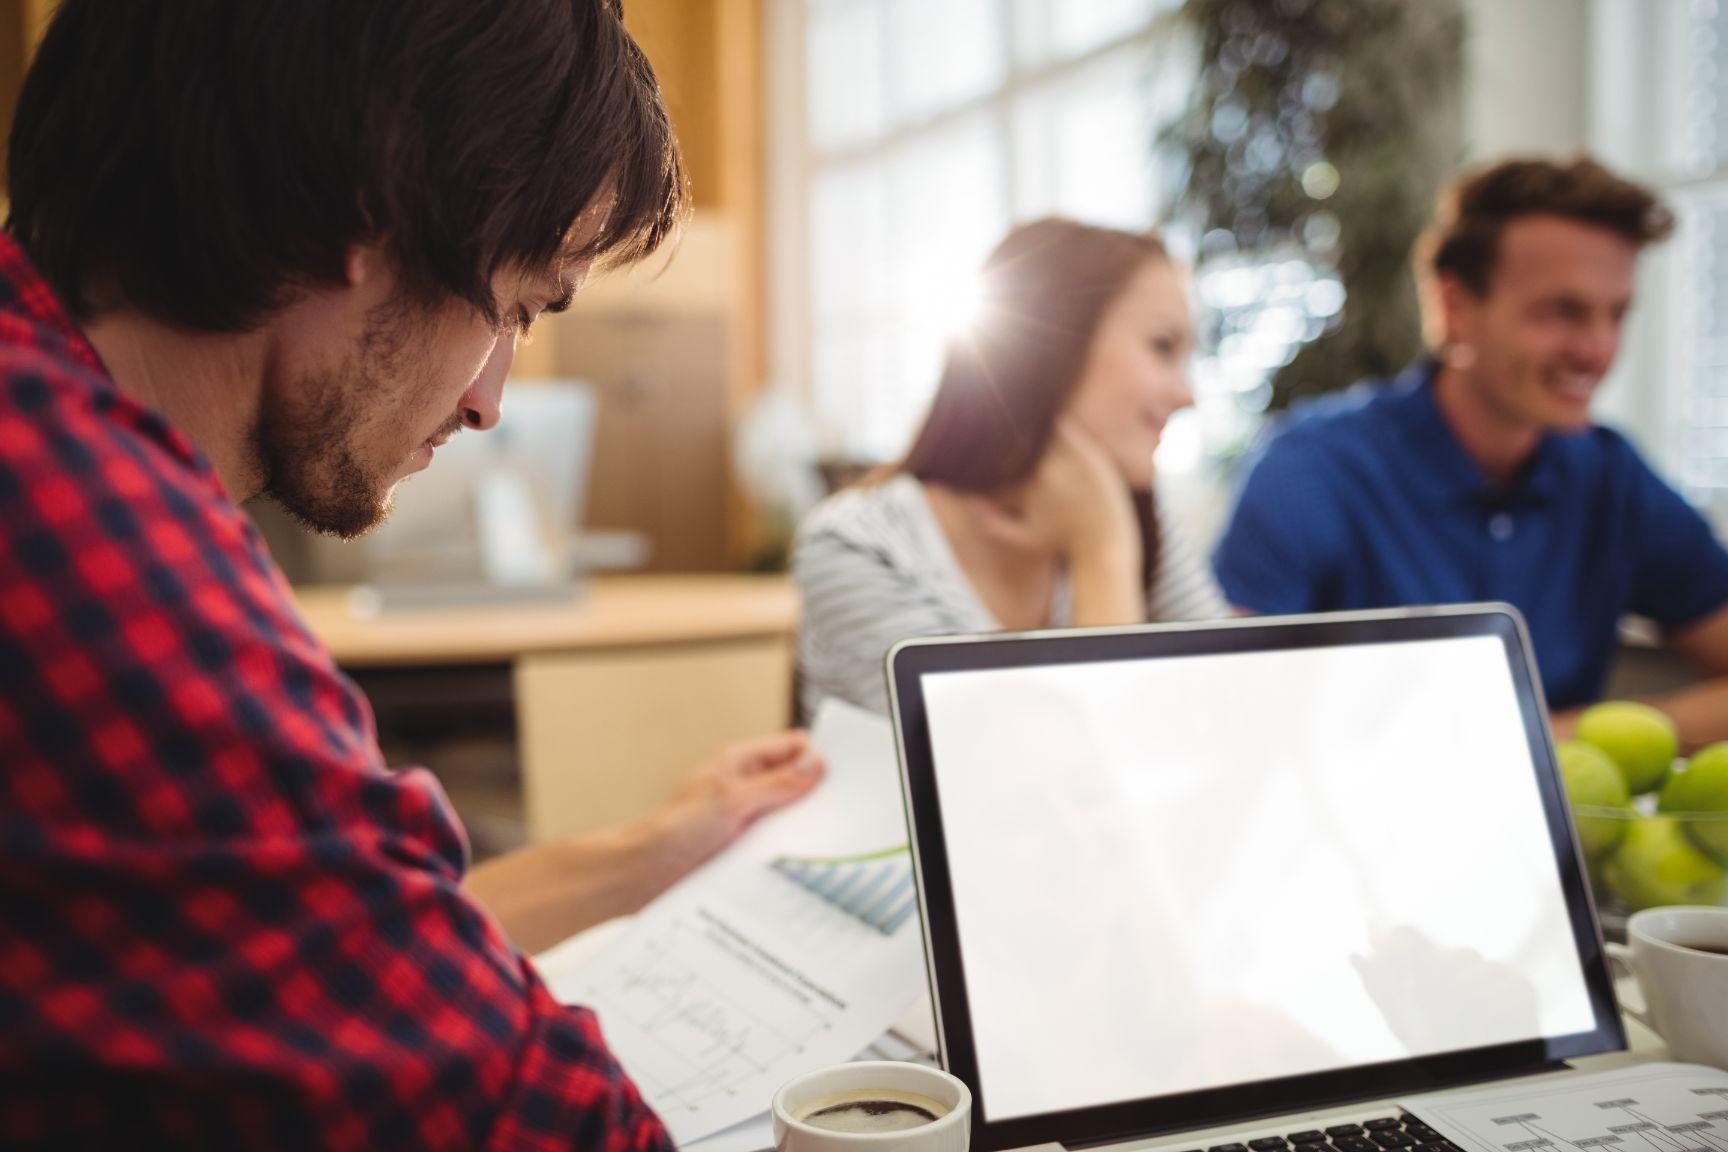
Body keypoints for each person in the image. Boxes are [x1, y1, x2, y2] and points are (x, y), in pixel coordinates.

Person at [0, 2, 822, 1147]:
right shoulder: (87, 535)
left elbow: (317, 953)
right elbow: (527, 1117)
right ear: (368, 210)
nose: (490, 398)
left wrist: (648, 850)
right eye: (519, 305)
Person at [1213, 157, 1728, 747]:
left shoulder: (1611, 476)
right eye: (1562, 311)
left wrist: (1554, 740)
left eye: (1616, 314)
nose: (1598, 350)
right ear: (1455, 307)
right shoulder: (1311, 471)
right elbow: (1232, 716)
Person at [793, 218, 1227, 717]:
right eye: (1163, 348)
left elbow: (1224, 714)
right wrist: (1102, 555)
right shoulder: (858, 547)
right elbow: (1032, 782)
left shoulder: (1136, 516)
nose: (1187, 394)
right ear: (1049, 349)